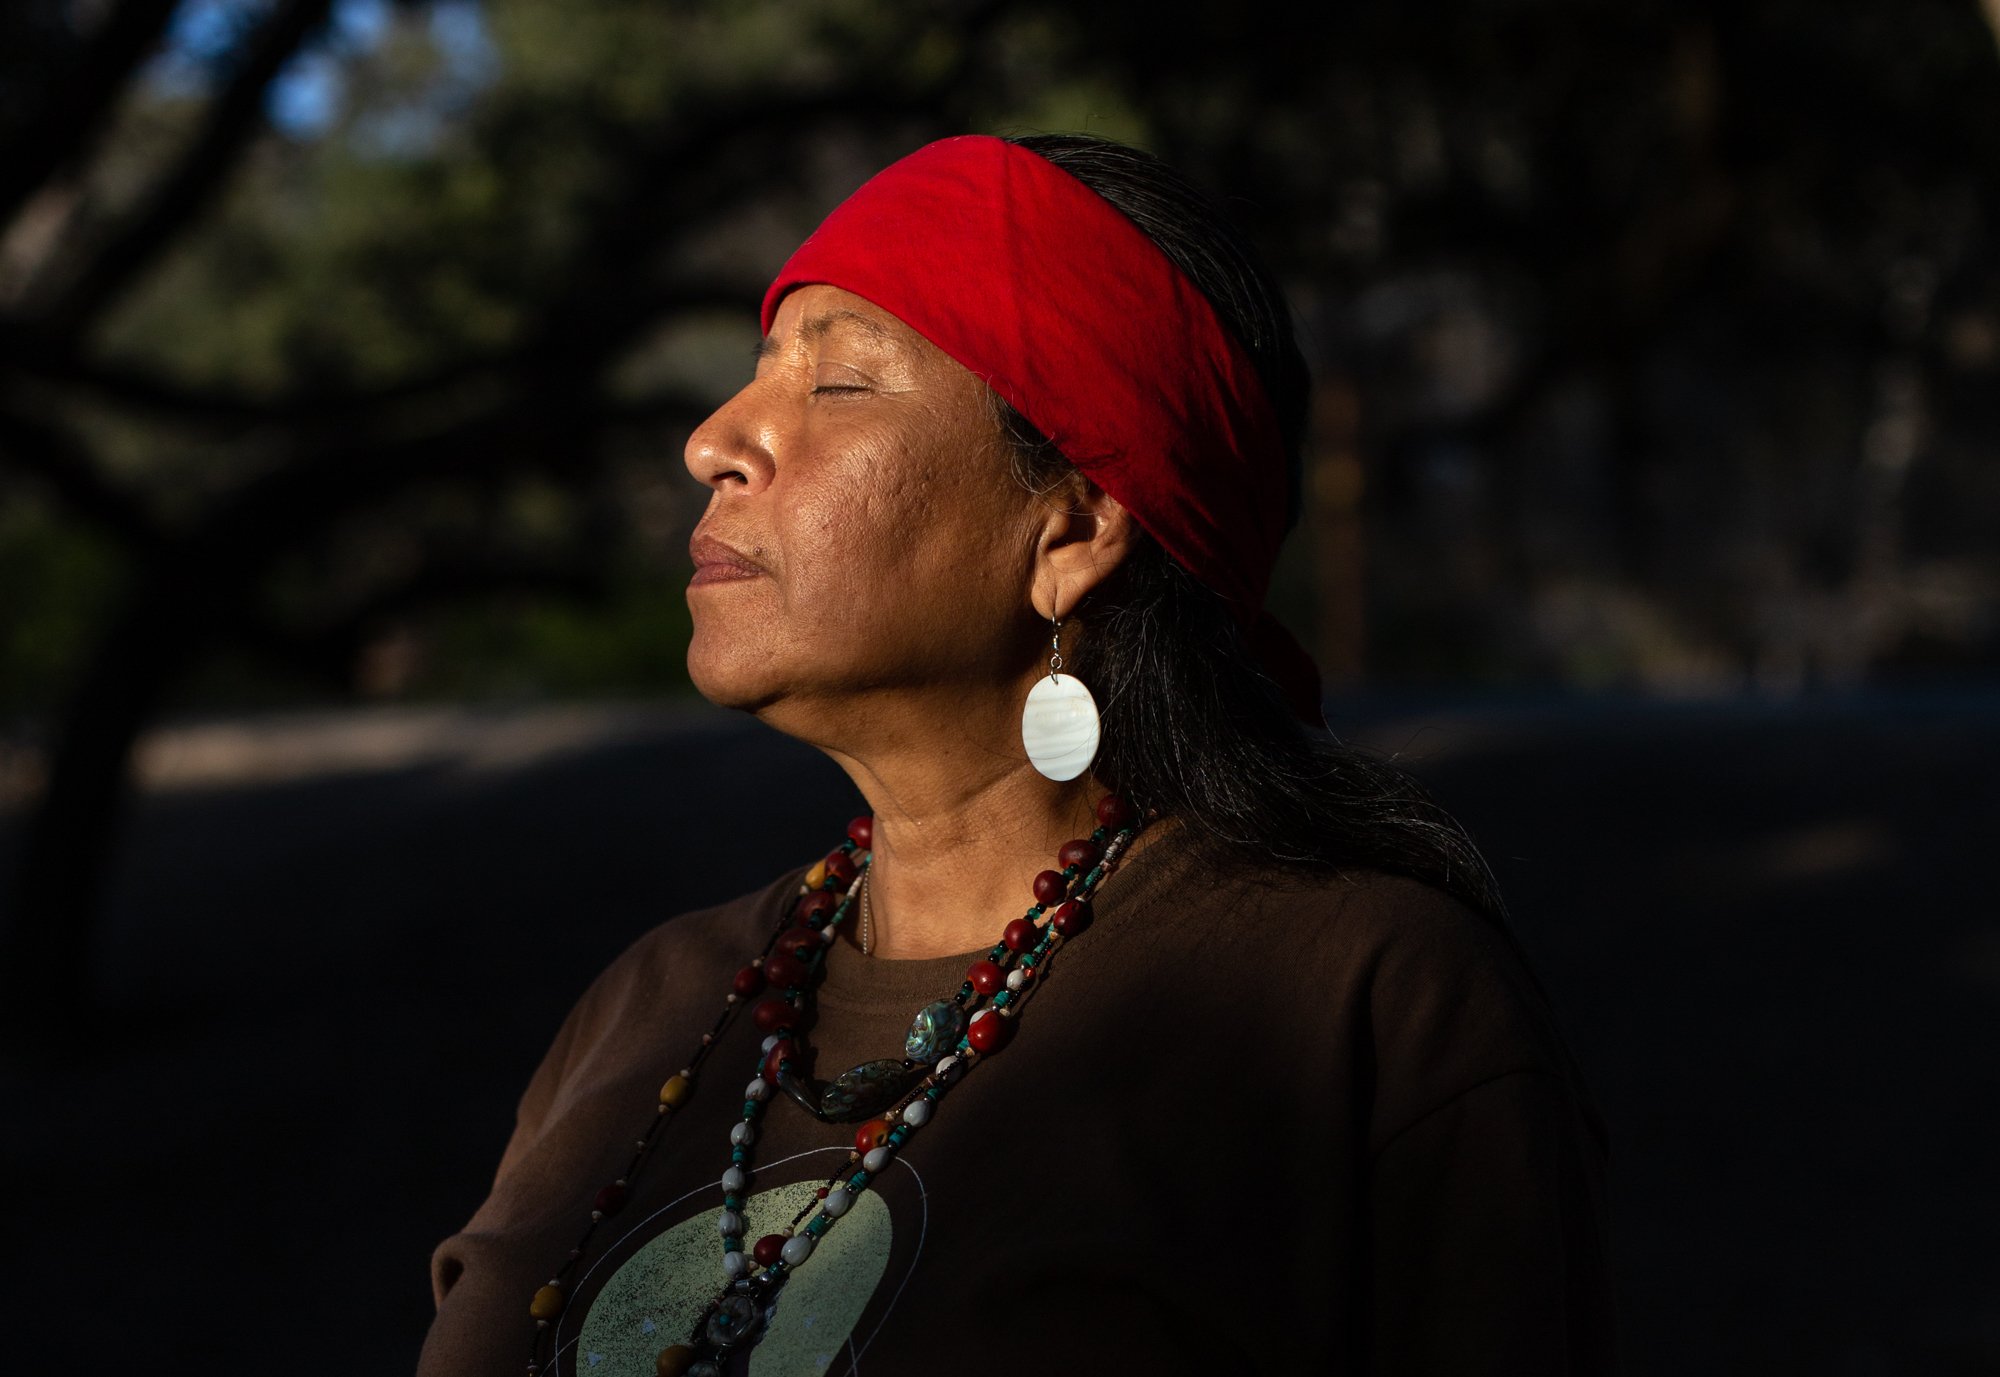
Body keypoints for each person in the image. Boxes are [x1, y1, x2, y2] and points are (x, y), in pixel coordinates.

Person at [416, 132, 1615, 1377]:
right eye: (758, 370)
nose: (715, 439)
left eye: (840, 385)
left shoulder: (1360, 1003)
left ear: (1075, 524)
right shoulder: (647, 1007)